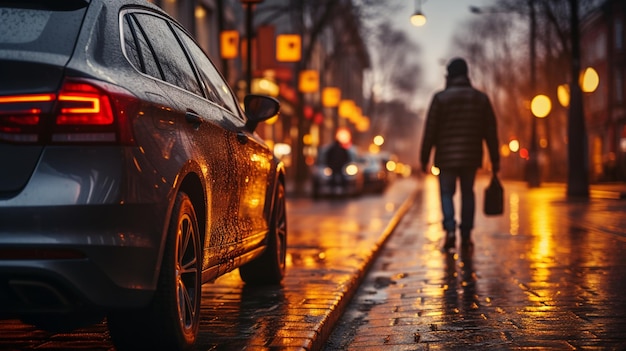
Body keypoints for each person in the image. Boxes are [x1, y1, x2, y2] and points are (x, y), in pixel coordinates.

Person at [419, 57, 500, 251]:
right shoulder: (480, 99)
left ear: (449, 75)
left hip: (446, 157)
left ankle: (450, 230)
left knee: (446, 193)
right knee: (467, 193)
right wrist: (495, 159)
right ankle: (466, 234)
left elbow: (430, 130)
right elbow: (490, 131)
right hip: (471, 156)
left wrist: (424, 158)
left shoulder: (440, 98)